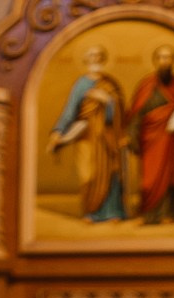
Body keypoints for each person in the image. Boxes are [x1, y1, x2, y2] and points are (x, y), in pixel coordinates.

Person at [49, 45, 129, 224]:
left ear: (103, 59)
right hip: (87, 136)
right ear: (86, 60)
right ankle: (91, 213)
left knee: (111, 172)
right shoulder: (81, 84)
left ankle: (113, 212)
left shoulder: (111, 83)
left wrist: (107, 101)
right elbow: (70, 111)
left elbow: (121, 112)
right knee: (89, 174)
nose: (95, 59)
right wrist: (58, 131)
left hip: (109, 135)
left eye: (99, 56)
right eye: (91, 56)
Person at [129, 46, 174, 226]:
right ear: (155, 61)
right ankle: (148, 214)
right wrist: (131, 136)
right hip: (151, 139)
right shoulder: (146, 85)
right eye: (161, 57)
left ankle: (168, 212)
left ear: (173, 61)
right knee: (150, 179)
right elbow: (136, 114)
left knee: (172, 176)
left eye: (168, 58)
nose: (165, 61)